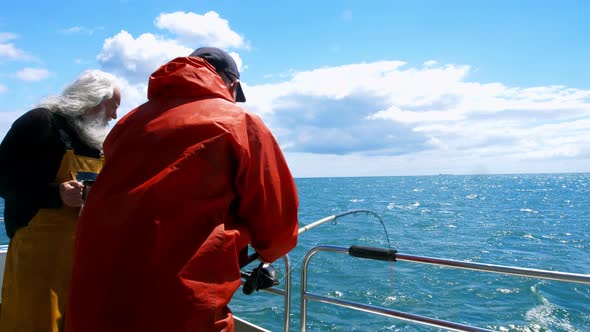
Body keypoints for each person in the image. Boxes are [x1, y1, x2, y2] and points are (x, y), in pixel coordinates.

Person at [66, 47, 299, 332]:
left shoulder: (127, 123)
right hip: (179, 308)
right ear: (232, 84)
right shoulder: (240, 122)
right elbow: (278, 227)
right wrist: (266, 254)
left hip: (94, 297)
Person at [0, 69, 121, 331]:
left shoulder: (96, 141)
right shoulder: (39, 123)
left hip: (83, 256)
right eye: (113, 107)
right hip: (39, 256)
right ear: (92, 101)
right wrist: (56, 194)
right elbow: (3, 181)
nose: (114, 116)